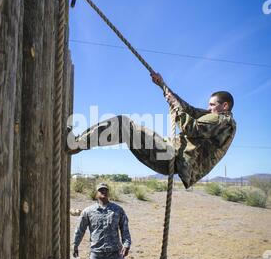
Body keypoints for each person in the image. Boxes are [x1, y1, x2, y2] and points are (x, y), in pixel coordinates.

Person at [67, 72, 236, 188]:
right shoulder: (216, 119)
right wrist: (163, 86)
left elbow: (191, 127)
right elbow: (189, 109)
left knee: (123, 124)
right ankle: (78, 144)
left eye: (212, 104)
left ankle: (77, 144)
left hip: (172, 155)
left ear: (225, 105)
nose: (209, 107)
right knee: (125, 130)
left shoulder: (223, 120)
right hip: (171, 156)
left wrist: (174, 104)